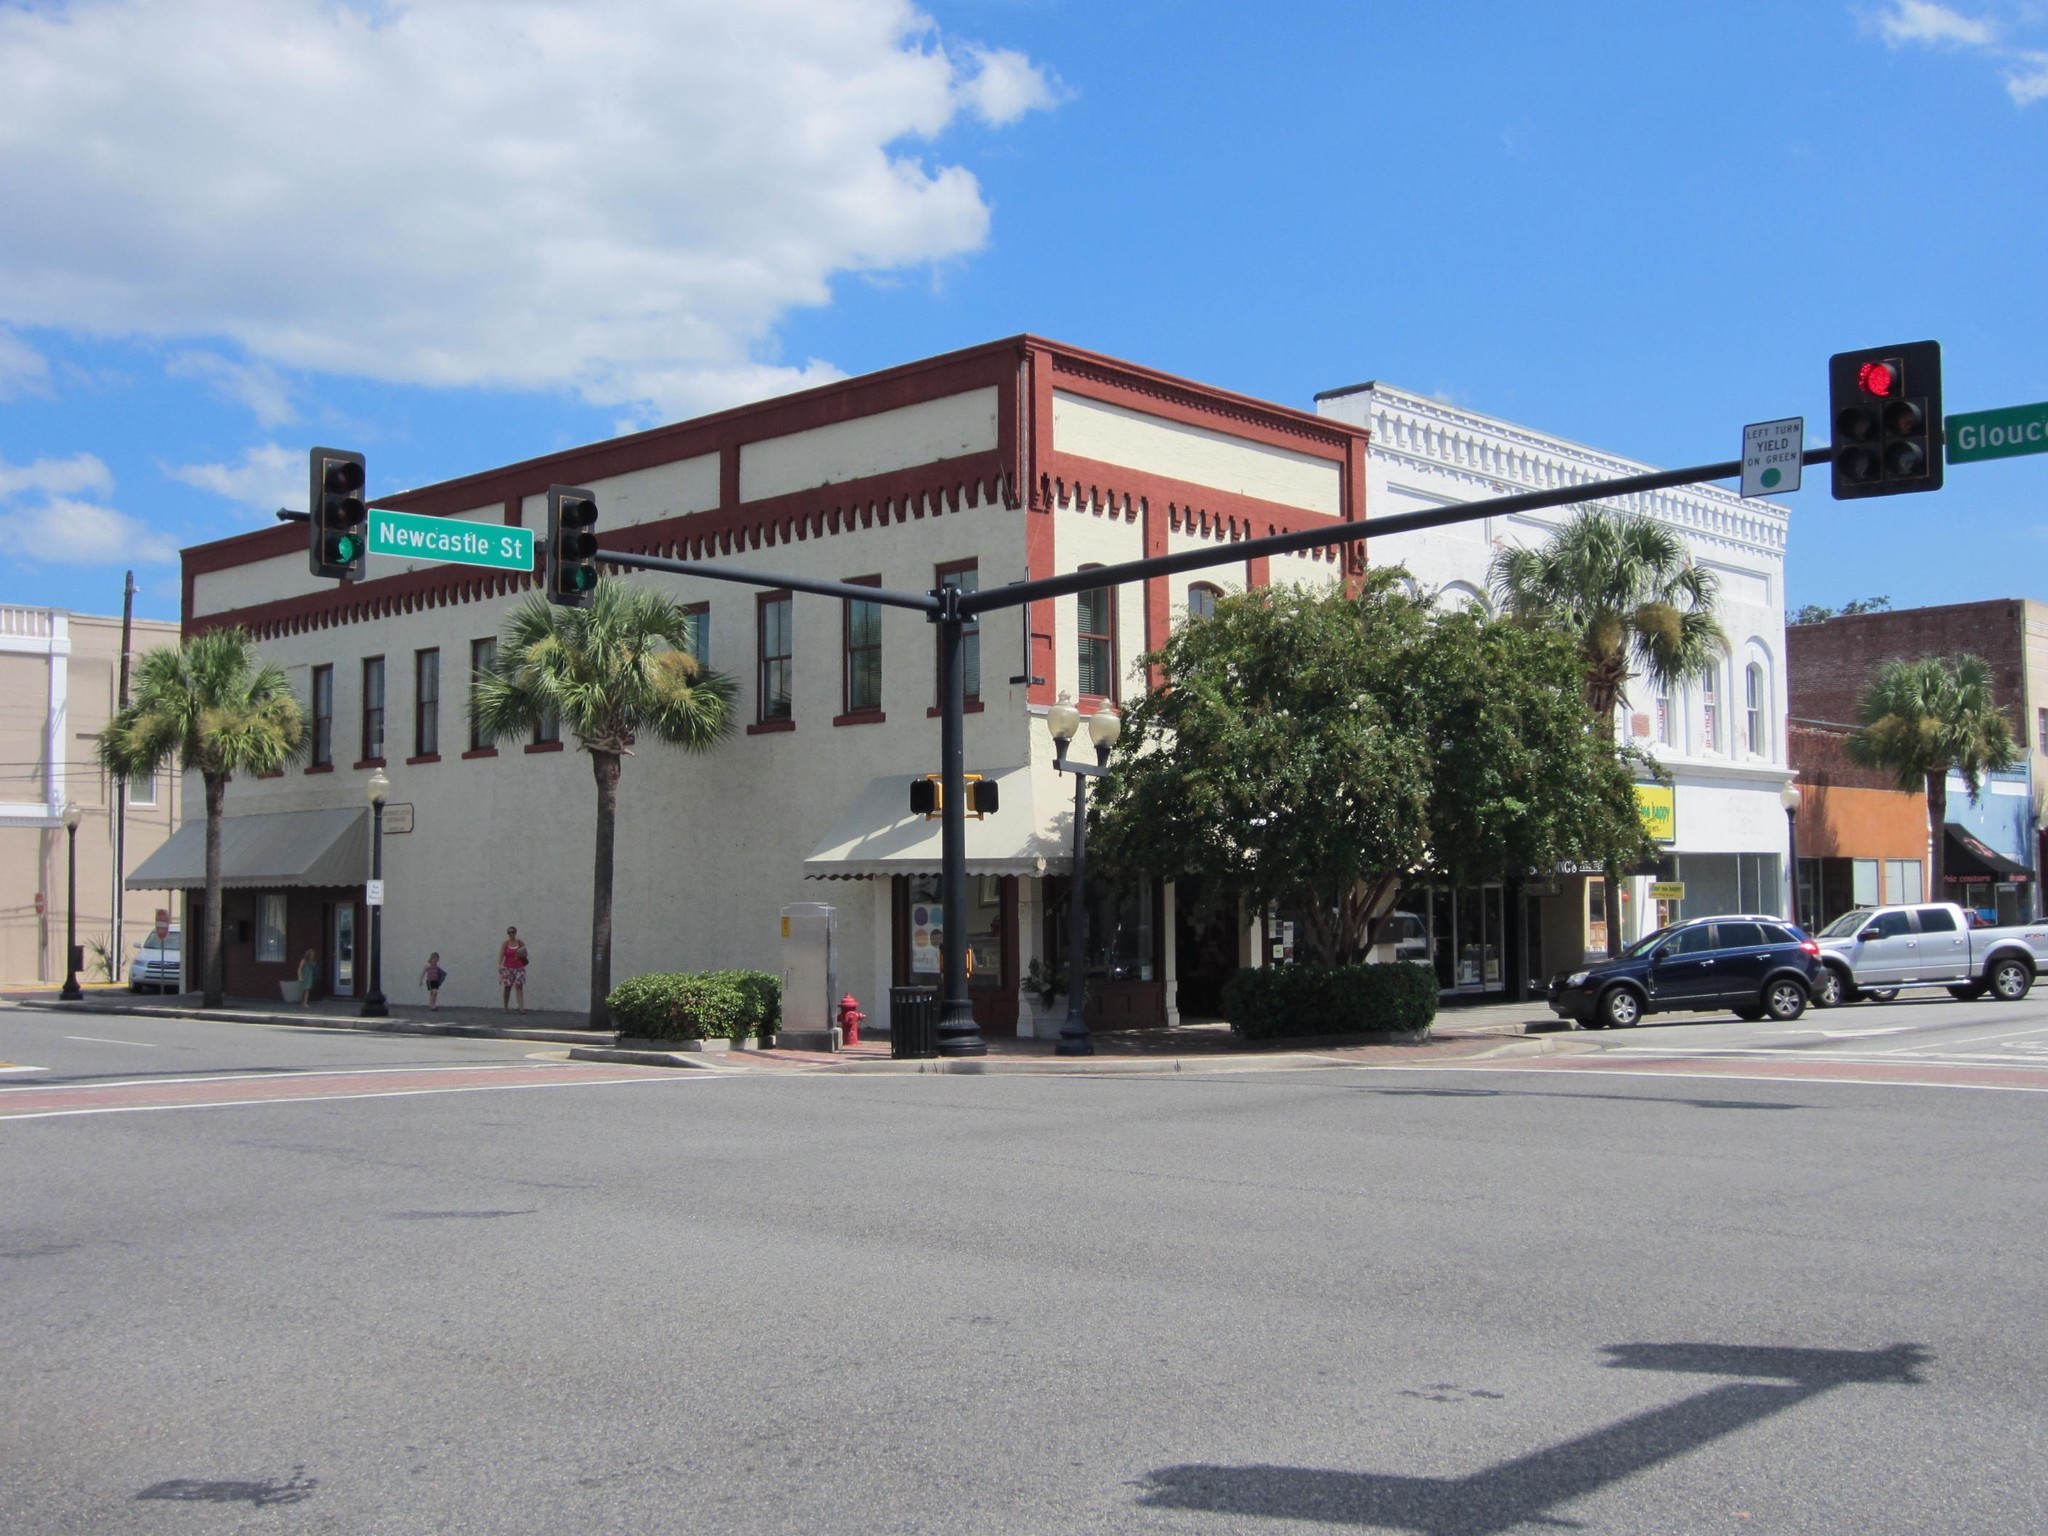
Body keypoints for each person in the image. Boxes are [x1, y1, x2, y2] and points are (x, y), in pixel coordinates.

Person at [499, 927, 530, 1012]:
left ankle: (521, 1008)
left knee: (519, 987)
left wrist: (520, 955)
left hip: (519, 968)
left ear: (515, 933)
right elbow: (501, 955)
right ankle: (505, 1007)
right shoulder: (505, 944)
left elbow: (525, 954)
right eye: (509, 932)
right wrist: (500, 965)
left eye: (512, 932)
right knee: (507, 987)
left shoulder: (520, 943)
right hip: (508, 968)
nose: (511, 934)